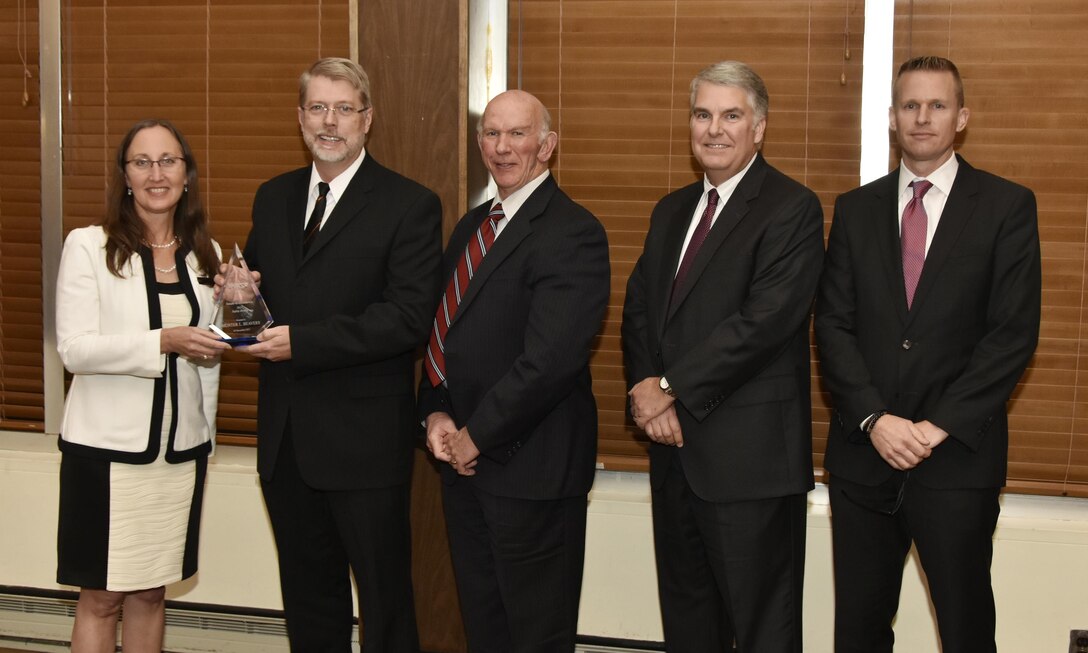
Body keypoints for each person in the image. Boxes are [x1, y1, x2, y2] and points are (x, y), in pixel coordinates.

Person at [814, 55, 1041, 653]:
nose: (922, 118)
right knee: (858, 631)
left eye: (937, 105)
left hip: (957, 461)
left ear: (961, 117)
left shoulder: (1005, 206)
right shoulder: (855, 209)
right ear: (891, 119)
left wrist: (936, 427)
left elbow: (1011, 335)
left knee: (966, 628)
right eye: (910, 106)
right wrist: (874, 419)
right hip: (865, 457)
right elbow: (833, 326)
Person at [234, 57, 441, 652]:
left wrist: (303, 341)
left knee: (385, 606)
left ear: (367, 120)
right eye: (317, 108)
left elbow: (405, 319)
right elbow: (254, 323)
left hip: (364, 447)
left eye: (344, 109)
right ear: (300, 117)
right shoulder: (272, 198)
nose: (330, 122)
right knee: (308, 605)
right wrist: (237, 302)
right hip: (286, 444)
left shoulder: (409, 204)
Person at [621, 61, 824, 652]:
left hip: (750, 464)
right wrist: (645, 389)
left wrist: (670, 387)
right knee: (689, 627)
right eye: (703, 114)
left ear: (758, 128)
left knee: (763, 631)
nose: (714, 129)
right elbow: (639, 310)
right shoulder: (671, 210)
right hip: (675, 457)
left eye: (731, 115)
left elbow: (764, 323)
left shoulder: (791, 208)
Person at [418, 89, 610, 653]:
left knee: (535, 639)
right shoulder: (472, 226)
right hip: (463, 468)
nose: (502, 148)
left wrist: (478, 435)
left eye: (517, 134)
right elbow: (443, 333)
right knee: (485, 631)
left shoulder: (573, 231)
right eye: (492, 134)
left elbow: (549, 362)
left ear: (547, 146)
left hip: (533, 474)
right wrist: (435, 413)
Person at [55, 118, 227, 652]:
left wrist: (209, 437)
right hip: (106, 455)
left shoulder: (208, 254)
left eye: (169, 161)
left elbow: (212, 355)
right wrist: (163, 340)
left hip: (178, 458)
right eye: (142, 162)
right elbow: (75, 348)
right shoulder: (89, 246)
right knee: (102, 598)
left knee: (153, 593)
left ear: (187, 174)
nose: (157, 174)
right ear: (125, 176)